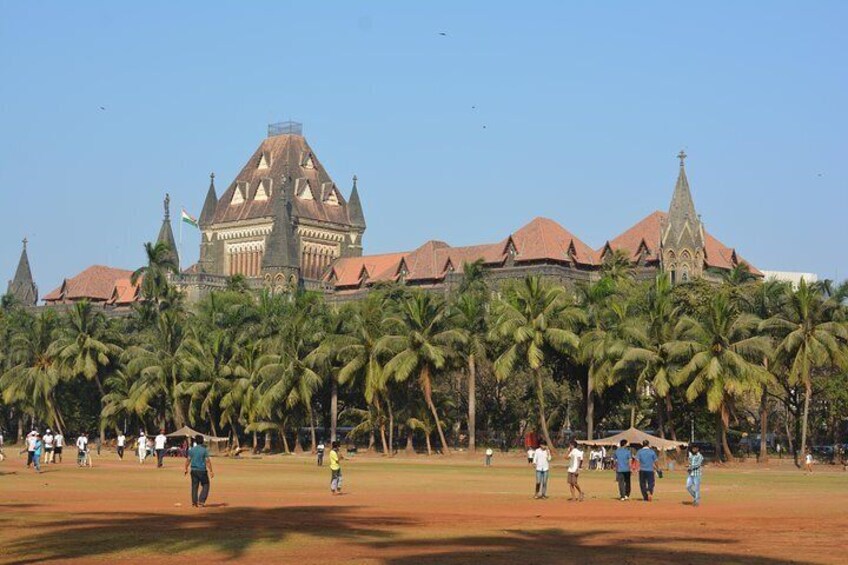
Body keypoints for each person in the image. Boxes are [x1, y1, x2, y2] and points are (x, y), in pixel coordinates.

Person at [185, 435, 214, 507]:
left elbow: (188, 459)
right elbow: (207, 461)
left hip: (194, 470)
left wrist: (186, 468)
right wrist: (211, 471)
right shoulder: (204, 450)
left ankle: (194, 503)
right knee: (206, 484)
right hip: (202, 470)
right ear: (202, 441)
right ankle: (201, 501)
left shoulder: (192, 450)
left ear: (195, 441)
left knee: (194, 486)